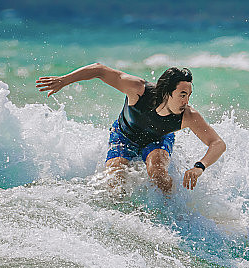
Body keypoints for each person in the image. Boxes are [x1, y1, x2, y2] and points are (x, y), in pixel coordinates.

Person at [36, 64, 225, 194]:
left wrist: (199, 167)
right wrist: (64, 80)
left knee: (158, 173)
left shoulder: (188, 115)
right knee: (116, 179)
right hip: (124, 136)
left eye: (189, 95)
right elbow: (100, 70)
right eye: (182, 94)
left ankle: (173, 212)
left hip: (157, 140)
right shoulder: (138, 90)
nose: (186, 101)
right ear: (167, 92)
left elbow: (217, 144)